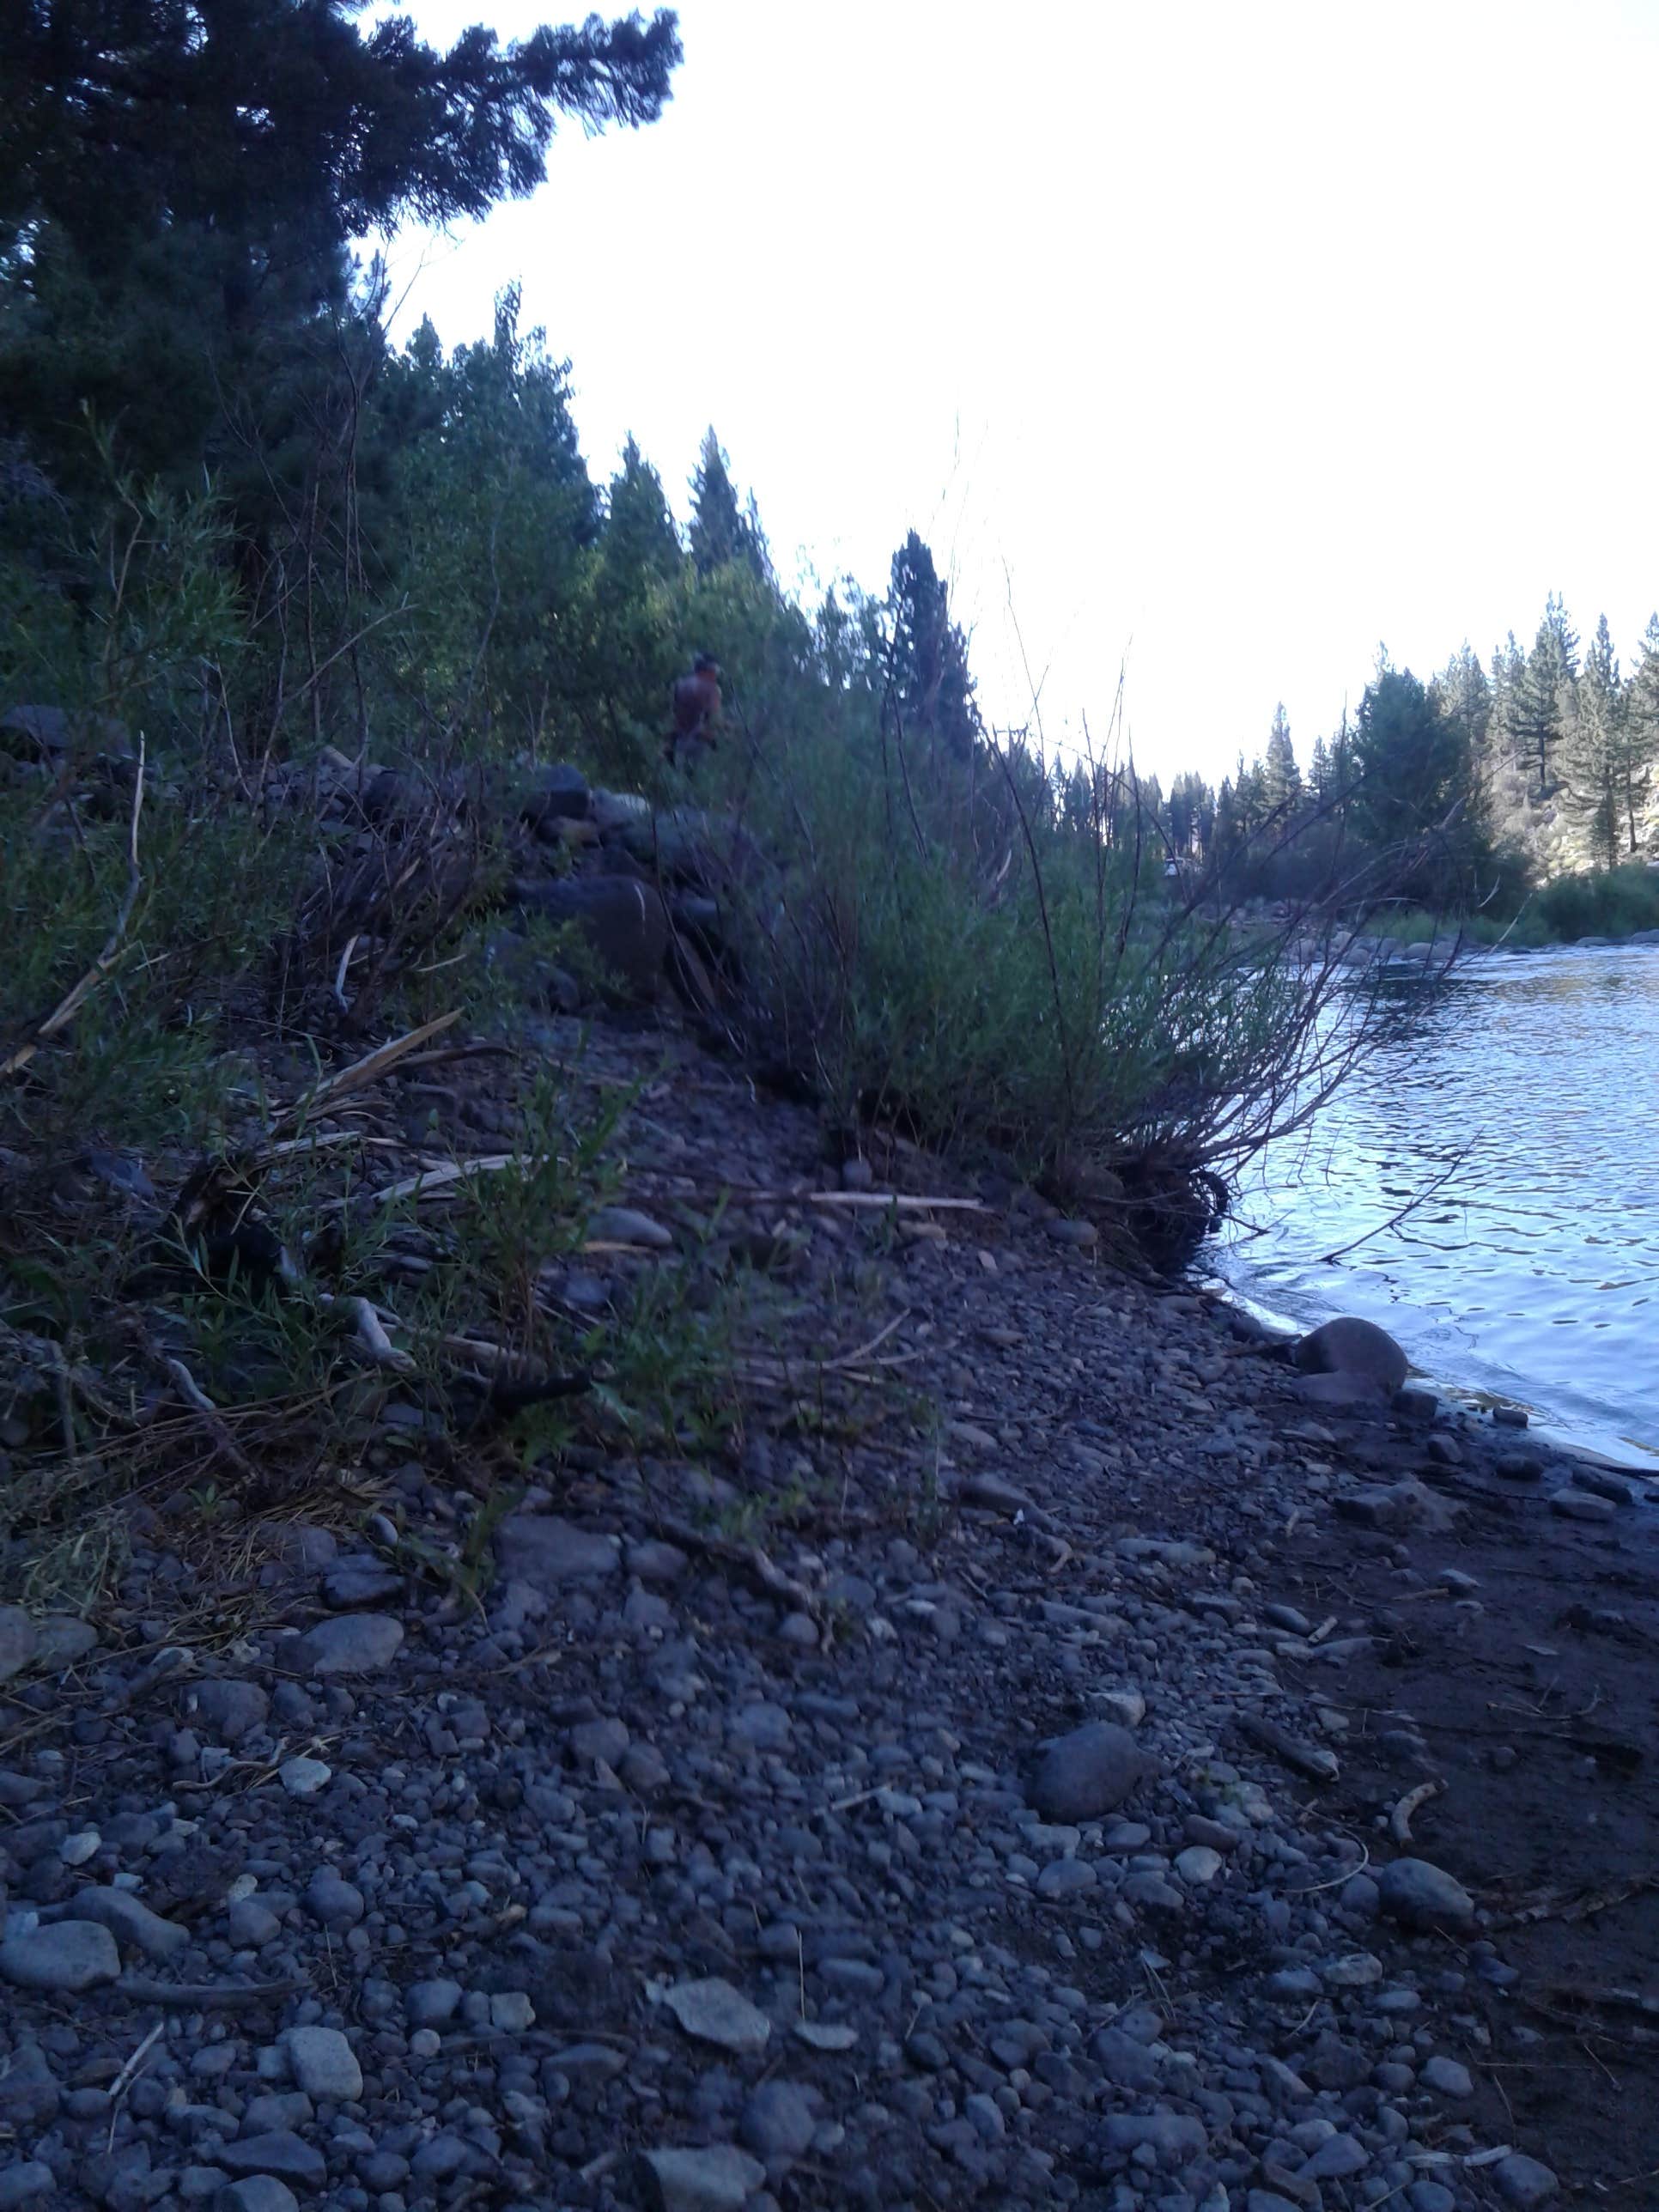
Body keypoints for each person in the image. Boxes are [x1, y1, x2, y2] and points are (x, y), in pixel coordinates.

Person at [666, 653, 721, 766]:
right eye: (714, 671)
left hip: (678, 741)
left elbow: (674, 714)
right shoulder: (712, 689)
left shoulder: (680, 683)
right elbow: (714, 720)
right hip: (695, 744)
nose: (715, 675)